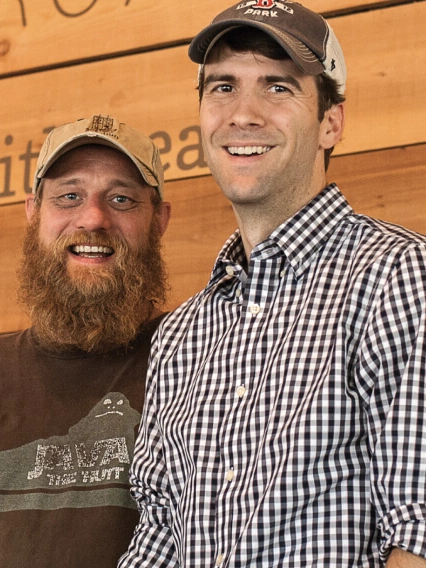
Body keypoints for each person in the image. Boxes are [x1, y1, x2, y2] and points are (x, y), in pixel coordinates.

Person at [118, 2, 426, 567]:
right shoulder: (182, 334)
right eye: (223, 88)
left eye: (278, 88)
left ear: (330, 122)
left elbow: (419, 533)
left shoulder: (397, 276)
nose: (244, 114)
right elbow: (159, 535)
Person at [0, 114, 171, 567]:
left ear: (160, 220)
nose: (93, 218)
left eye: (121, 199)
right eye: (69, 196)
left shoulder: (198, 359)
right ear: (33, 213)